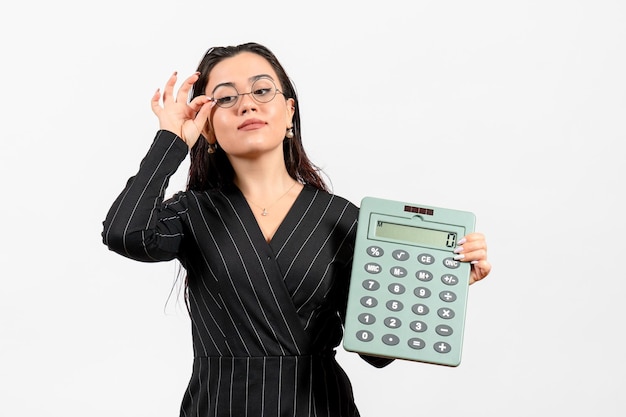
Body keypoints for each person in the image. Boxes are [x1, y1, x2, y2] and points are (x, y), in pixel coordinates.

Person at [102, 42, 491, 417]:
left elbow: (375, 351)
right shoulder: (193, 212)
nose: (247, 103)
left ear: (289, 112)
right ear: (208, 129)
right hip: (218, 405)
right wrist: (171, 140)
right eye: (225, 98)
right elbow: (125, 233)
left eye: (261, 90)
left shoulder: (343, 219)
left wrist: (448, 284)